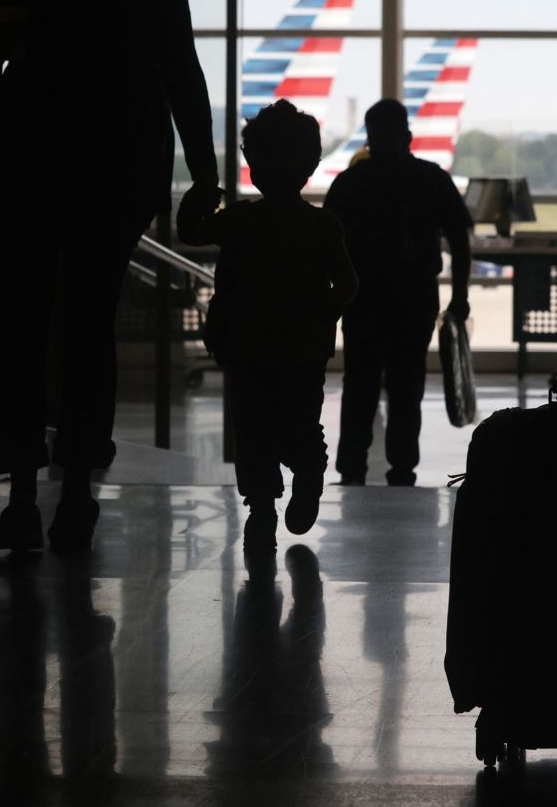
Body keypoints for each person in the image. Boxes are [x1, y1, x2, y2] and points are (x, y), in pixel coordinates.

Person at [0, 0, 219, 553]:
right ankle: (76, 488)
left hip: (28, 159)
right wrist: (201, 170)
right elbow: (180, 70)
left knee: (22, 324)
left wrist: (4, 43)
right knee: (86, 327)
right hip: (117, 164)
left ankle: (22, 493)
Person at [178, 100, 358, 551]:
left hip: (246, 344)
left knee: (251, 428)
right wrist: (320, 315)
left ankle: (261, 510)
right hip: (301, 347)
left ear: (252, 167)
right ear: (311, 167)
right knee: (299, 420)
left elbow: (191, 233)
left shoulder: (240, 220)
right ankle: (308, 473)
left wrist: (200, 196)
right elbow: (349, 283)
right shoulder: (322, 225)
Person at [324, 99, 472, 487]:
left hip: (363, 298)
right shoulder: (432, 179)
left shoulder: (350, 183)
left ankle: (352, 465)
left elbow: (327, 245)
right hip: (415, 297)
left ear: (368, 139)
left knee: (360, 383)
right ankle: (402, 465)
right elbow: (459, 239)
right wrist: (459, 295)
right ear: (408, 136)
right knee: (408, 385)